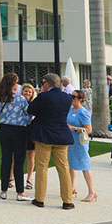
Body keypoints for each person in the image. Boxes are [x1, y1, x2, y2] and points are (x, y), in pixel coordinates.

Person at [26, 73, 75, 210]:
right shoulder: (67, 98)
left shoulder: (44, 96)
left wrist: (39, 96)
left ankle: (40, 199)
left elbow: (31, 110)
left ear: (47, 83)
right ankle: (67, 201)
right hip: (61, 135)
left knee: (42, 167)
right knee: (63, 168)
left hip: (44, 136)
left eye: (43, 83)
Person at [0, 73, 30, 201]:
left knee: (6, 160)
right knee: (19, 162)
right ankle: (20, 192)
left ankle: (3, 190)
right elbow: (28, 113)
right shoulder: (20, 99)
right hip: (19, 130)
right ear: (13, 84)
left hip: (4, 130)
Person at [67, 90, 97, 202]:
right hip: (70, 141)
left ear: (80, 99)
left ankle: (92, 191)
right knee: (71, 163)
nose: (71, 98)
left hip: (80, 142)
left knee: (85, 165)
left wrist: (74, 128)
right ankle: (72, 187)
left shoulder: (83, 112)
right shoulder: (70, 110)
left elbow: (89, 130)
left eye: (74, 96)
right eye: (71, 96)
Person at [20, 83, 37, 190]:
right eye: (26, 91)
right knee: (16, 155)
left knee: (31, 155)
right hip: (20, 131)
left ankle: (29, 179)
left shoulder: (34, 104)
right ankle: (11, 177)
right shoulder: (18, 102)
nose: (27, 93)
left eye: (29, 92)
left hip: (31, 131)